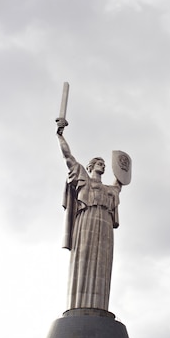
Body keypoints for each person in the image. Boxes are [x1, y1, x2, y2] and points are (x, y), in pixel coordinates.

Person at [56, 117, 123, 310]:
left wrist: (123, 166)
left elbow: (121, 180)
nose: (102, 164)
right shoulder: (83, 178)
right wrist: (60, 135)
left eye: (103, 163)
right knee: (84, 259)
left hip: (105, 225)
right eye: (98, 162)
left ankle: (99, 307)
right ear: (90, 167)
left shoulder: (110, 191)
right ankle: (79, 306)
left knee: (102, 264)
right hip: (86, 222)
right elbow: (68, 157)